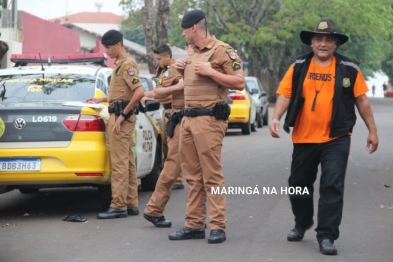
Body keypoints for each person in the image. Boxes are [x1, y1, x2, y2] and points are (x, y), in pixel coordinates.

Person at [269, 17, 379, 255]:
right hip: (304, 137)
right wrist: (276, 117)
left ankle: (327, 235)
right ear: (311, 42)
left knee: (332, 185)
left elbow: (361, 100)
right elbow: (285, 93)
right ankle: (302, 222)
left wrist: (372, 130)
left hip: (336, 137)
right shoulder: (298, 65)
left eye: (328, 40)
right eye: (318, 39)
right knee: (298, 185)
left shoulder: (349, 68)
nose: (323, 44)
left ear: (336, 44)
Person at [168, 9, 245, 244]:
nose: (183, 35)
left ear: (194, 28)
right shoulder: (190, 54)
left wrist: (212, 72)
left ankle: (218, 226)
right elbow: (183, 84)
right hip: (188, 120)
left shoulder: (222, 50)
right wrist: (182, 70)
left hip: (209, 120)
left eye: (184, 30)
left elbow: (239, 82)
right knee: (192, 176)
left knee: (212, 176)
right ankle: (194, 224)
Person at [84, 29, 145, 219]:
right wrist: (100, 99)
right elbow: (121, 94)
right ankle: (131, 203)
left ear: (119, 44)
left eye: (109, 47)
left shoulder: (127, 65)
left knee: (119, 163)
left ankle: (118, 206)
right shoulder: (119, 65)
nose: (107, 52)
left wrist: (122, 116)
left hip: (121, 119)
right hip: (120, 116)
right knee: (127, 162)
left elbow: (139, 92)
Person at [143, 44, 186, 227]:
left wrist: (150, 95)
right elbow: (163, 94)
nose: (158, 62)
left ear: (168, 56)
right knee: (172, 160)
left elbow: (163, 94)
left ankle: (196, 217)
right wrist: (149, 95)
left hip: (181, 116)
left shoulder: (176, 69)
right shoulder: (171, 70)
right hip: (177, 116)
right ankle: (154, 209)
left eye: (160, 59)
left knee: (178, 162)